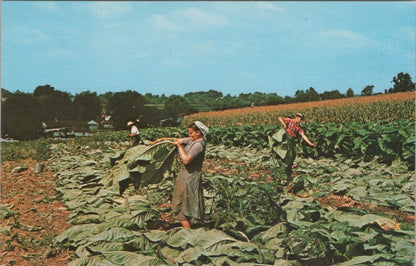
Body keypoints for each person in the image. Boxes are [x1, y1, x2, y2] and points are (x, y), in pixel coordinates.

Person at [152, 121, 209, 229]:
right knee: (183, 205)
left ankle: (188, 234)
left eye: (191, 133)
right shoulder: (193, 140)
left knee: (182, 207)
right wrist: (160, 141)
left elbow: (186, 160)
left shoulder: (199, 145)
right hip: (185, 176)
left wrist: (179, 147)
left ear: (198, 133)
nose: (190, 135)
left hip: (189, 179)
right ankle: (189, 232)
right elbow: (178, 140)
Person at [274, 113, 317, 178]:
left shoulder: (299, 127)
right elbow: (280, 118)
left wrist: (310, 143)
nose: (300, 120)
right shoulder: (290, 121)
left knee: (293, 155)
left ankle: (289, 169)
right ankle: (283, 168)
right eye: (300, 119)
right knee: (285, 153)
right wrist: (284, 124)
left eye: (301, 119)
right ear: (297, 117)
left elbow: (303, 135)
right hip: (286, 138)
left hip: (292, 141)